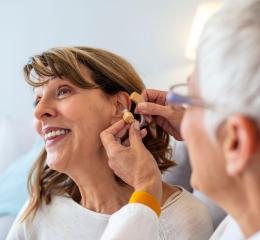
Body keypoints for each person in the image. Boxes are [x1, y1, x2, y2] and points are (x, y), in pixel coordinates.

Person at [99, 0, 260, 239]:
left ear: (235, 142)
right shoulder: (252, 217)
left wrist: (145, 189)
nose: (182, 116)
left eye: (191, 100)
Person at [6, 47, 213, 240]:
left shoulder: (181, 218)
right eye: (37, 100)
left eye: (63, 91)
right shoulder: (39, 209)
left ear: (119, 106)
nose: (39, 111)